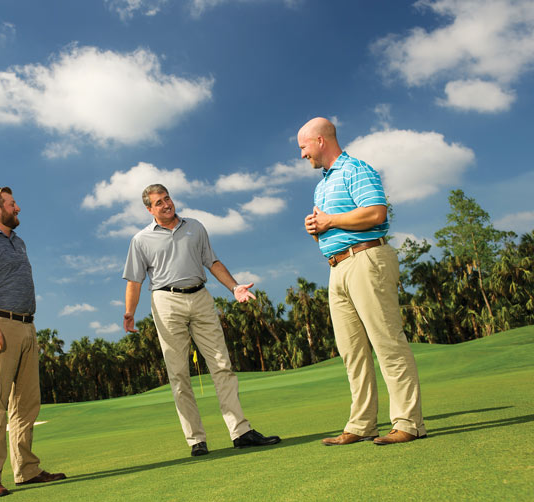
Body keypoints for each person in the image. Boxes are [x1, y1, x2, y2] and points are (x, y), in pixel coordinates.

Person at [123, 184, 281, 457]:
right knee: (179, 374)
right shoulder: (140, 240)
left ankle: (241, 432)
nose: (166, 205)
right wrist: (130, 312)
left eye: (167, 198)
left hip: (201, 298)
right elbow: (135, 281)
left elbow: (213, 262)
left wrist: (234, 288)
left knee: (222, 365)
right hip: (166, 301)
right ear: (149, 209)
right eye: (158, 203)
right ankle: (196, 440)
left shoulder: (195, 227)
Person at [297, 117, 427, 446]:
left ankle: (409, 423)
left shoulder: (356, 169)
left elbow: (376, 213)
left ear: (321, 141)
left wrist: (329, 220)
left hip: (367, 259)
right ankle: (362, 424)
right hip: (337, 267)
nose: (302, 155)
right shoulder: (322, 184)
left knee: (386, 342)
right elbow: (329, 227)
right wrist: (317, 229)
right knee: (351, 351)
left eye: (303, 147)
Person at [0, 186, 66, 497]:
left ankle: (27, 470)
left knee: (27, 404)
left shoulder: (18, 243)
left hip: (26, 327)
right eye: (12, 204)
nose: (17, 208)